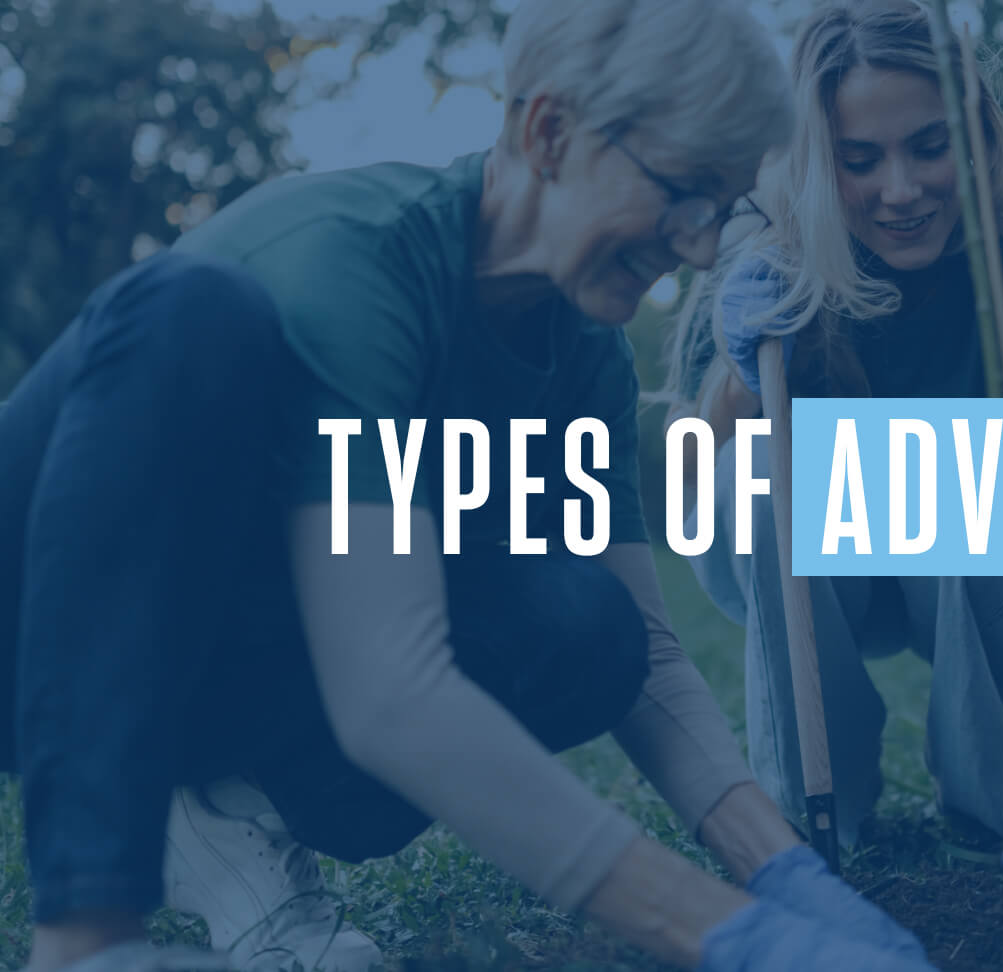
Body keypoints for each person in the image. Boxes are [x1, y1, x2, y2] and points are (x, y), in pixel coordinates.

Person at [1, 2, 937, 971]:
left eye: (723, 206)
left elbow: (645, 653)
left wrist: (782, 873)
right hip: (39, 630)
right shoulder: (355, 264)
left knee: (587, 629)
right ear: (550, 132)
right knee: (185, 310)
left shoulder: (581, 349)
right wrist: (721, 934)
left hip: (226, 653)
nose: (699, 248)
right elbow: (388, 691)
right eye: (682, 193)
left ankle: (222, 817)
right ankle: (86, 941)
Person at [662, 0, 1003, 881]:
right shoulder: (767, 269)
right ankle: (819, 806)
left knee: (939, 463)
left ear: (975, 137)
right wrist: (734, 378)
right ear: (810, 159)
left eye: (930, 146)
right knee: (759, 464)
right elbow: (689, 501)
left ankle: (999, 803)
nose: (900, 191)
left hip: (976, 582)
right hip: (808, 571)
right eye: (858, 160)